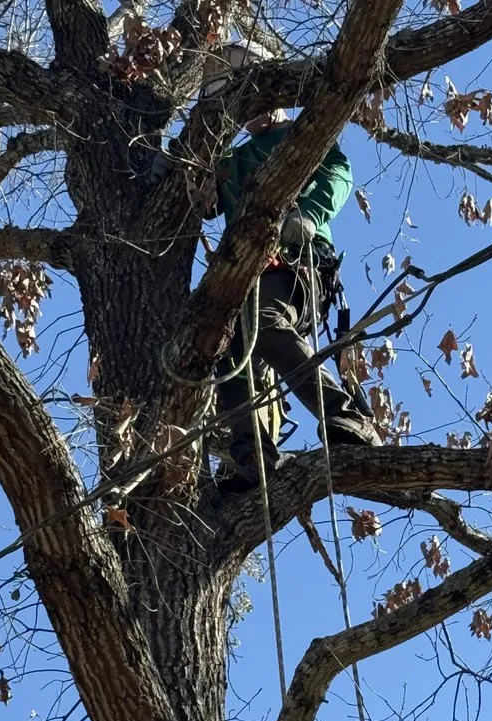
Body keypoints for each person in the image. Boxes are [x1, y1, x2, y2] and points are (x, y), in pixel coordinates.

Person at [153, 40, 381, 481]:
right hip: (244, 274)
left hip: (296, 264)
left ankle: (345, 415)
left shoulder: (304, 137)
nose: (252, 111)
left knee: (268, 321)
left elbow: (337, 175)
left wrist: (308, 215)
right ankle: (252, 457)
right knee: (226, 351)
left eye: (257, 97)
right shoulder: (235, 160)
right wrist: (173, 170)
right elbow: (207, 199)